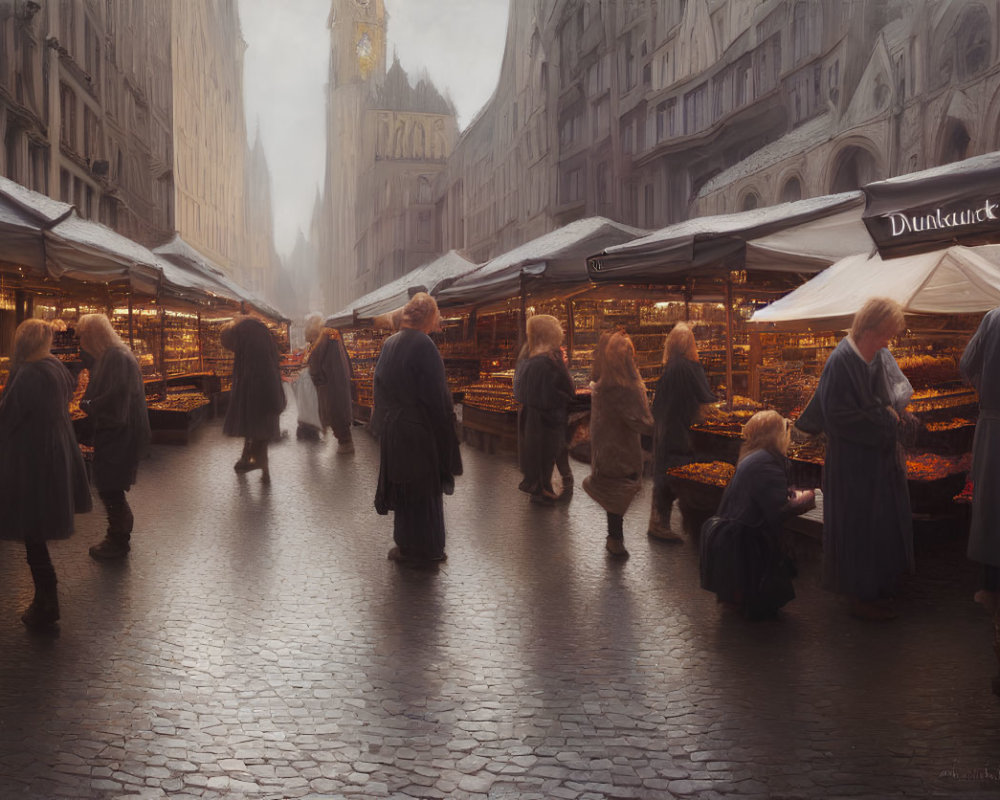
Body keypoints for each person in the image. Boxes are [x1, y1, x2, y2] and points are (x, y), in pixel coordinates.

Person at [795, 297, 914, 620]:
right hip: (851, 464)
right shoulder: (841, 361)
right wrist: (886, 419)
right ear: (869, 328)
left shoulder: (873, 357)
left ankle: (878, 586)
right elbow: (839, 417)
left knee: (876, 525)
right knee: (858, 526)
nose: (888, 341)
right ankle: (862, 596)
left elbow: (882, 398)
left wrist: (893, 412)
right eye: (885, 334)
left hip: (874, 462)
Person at [0, 319, 92, 628]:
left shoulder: (27, 372)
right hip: (55, 449)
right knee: (37, 521)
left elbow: (9, 415)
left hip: (30, 457)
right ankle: (45, 598)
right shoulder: (54, 366)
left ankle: (46, 599)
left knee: (31, 525)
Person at [372, 292, 462, 566]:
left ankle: (406, 545)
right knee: (424, 490)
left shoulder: (390, 343)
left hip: (396, 430)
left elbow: (380, 389)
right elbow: (437, 397)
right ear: (430, 317)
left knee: (405, 489)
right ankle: (427, 549)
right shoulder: (424, 345)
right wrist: (447, 431)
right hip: (419, 430)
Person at [700, 410, 815, 618]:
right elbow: (777, 510)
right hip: (745, 543)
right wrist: (805, 499)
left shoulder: (752, 457)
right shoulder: (766, 462)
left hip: (732, 537)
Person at [76, 313, 150, 560]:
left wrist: (88, 403)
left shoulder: (116, 358)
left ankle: (117, 540)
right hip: (119, 429)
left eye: (83, 334)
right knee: (111, 486)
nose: (80, 339)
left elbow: (114, 397)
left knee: (110, 487)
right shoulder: (114, 355)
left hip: (118, 431)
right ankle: (117, 535)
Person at [583, 331, 654, 558]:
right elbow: (641, 421)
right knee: (621, 488)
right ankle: (615, 540)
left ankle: (614, 538)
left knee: (614, 486)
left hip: (605, 445)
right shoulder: (628, 387)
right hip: (622, 447)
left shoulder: (603, 384)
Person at [649, 322, 716, 541]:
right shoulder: (687, 367)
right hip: (680, 430)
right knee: (680, 475)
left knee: (664, 472)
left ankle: (659, 522)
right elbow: (704, 398)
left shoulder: (671, 367)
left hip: (666, 427)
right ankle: (682, 525)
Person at [959, 306, 1000, 613]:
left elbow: (966, 363)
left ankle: (990, 586)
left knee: (991, 503)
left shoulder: (993, 318)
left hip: (994, 424)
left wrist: (984, 392)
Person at [513, 314, 576, 504]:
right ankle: (552, 489)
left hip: (532, 416)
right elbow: (568, 389)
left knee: (538, 454)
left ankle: (541, 488)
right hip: (550, 417)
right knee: (552, 452)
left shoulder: (527, 354)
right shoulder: (549, 359)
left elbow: (519, 389)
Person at [221, 314, 286, 483]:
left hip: (261, 399)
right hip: (265, 398)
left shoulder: (250, 338)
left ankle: (257, 465)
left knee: (259, 433)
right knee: (259, 434)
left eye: (232, 347)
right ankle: (262, 470)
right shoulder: (254, 335)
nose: (234, 351)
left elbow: (258, 374)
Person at [305, 312, 356, 453]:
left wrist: (316, 376)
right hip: (337, 380)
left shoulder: (324, 339)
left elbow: (315, 363)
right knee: (338, 409)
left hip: (330, 382)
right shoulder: (333, 336)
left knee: (335, 410)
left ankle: (345, 442)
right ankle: (344, 440)